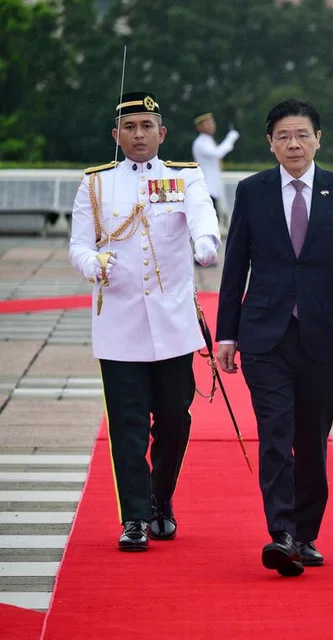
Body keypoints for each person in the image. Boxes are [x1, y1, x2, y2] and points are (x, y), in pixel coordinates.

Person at [215, 98, 333, 577]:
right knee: (275, 434)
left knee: (311, 439)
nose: (294, 144)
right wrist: (226, 333)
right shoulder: (253, 191)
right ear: (270, 143)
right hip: (264, 335)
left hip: (321, 335)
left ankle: (305, 534)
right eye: (284, 136)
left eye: (302, 135)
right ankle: (282, 534)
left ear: (318, 140)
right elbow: (235, 265)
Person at [68, 91, 221, 551]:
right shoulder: (95, 184)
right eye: (130, 128)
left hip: (173, 323)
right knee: (127, 424)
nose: (139, 135)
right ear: (116, 135)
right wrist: (92, 263)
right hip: (120, 323)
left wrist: (206, 243)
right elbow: (78, 245)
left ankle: (160, 498)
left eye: (147, 127)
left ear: (162, 133)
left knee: (174, 419)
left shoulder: (184, 177)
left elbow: (202, 215)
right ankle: (135, 516)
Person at [191, 112, 240, 220]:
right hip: (206, 187)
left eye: (212, 123)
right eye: (208, 123)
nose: (212, 126)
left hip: (213, 187)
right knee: (209, 219)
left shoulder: (208, 140)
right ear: (199, 127)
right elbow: (217, 153)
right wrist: (230, 138)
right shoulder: (201, 142)